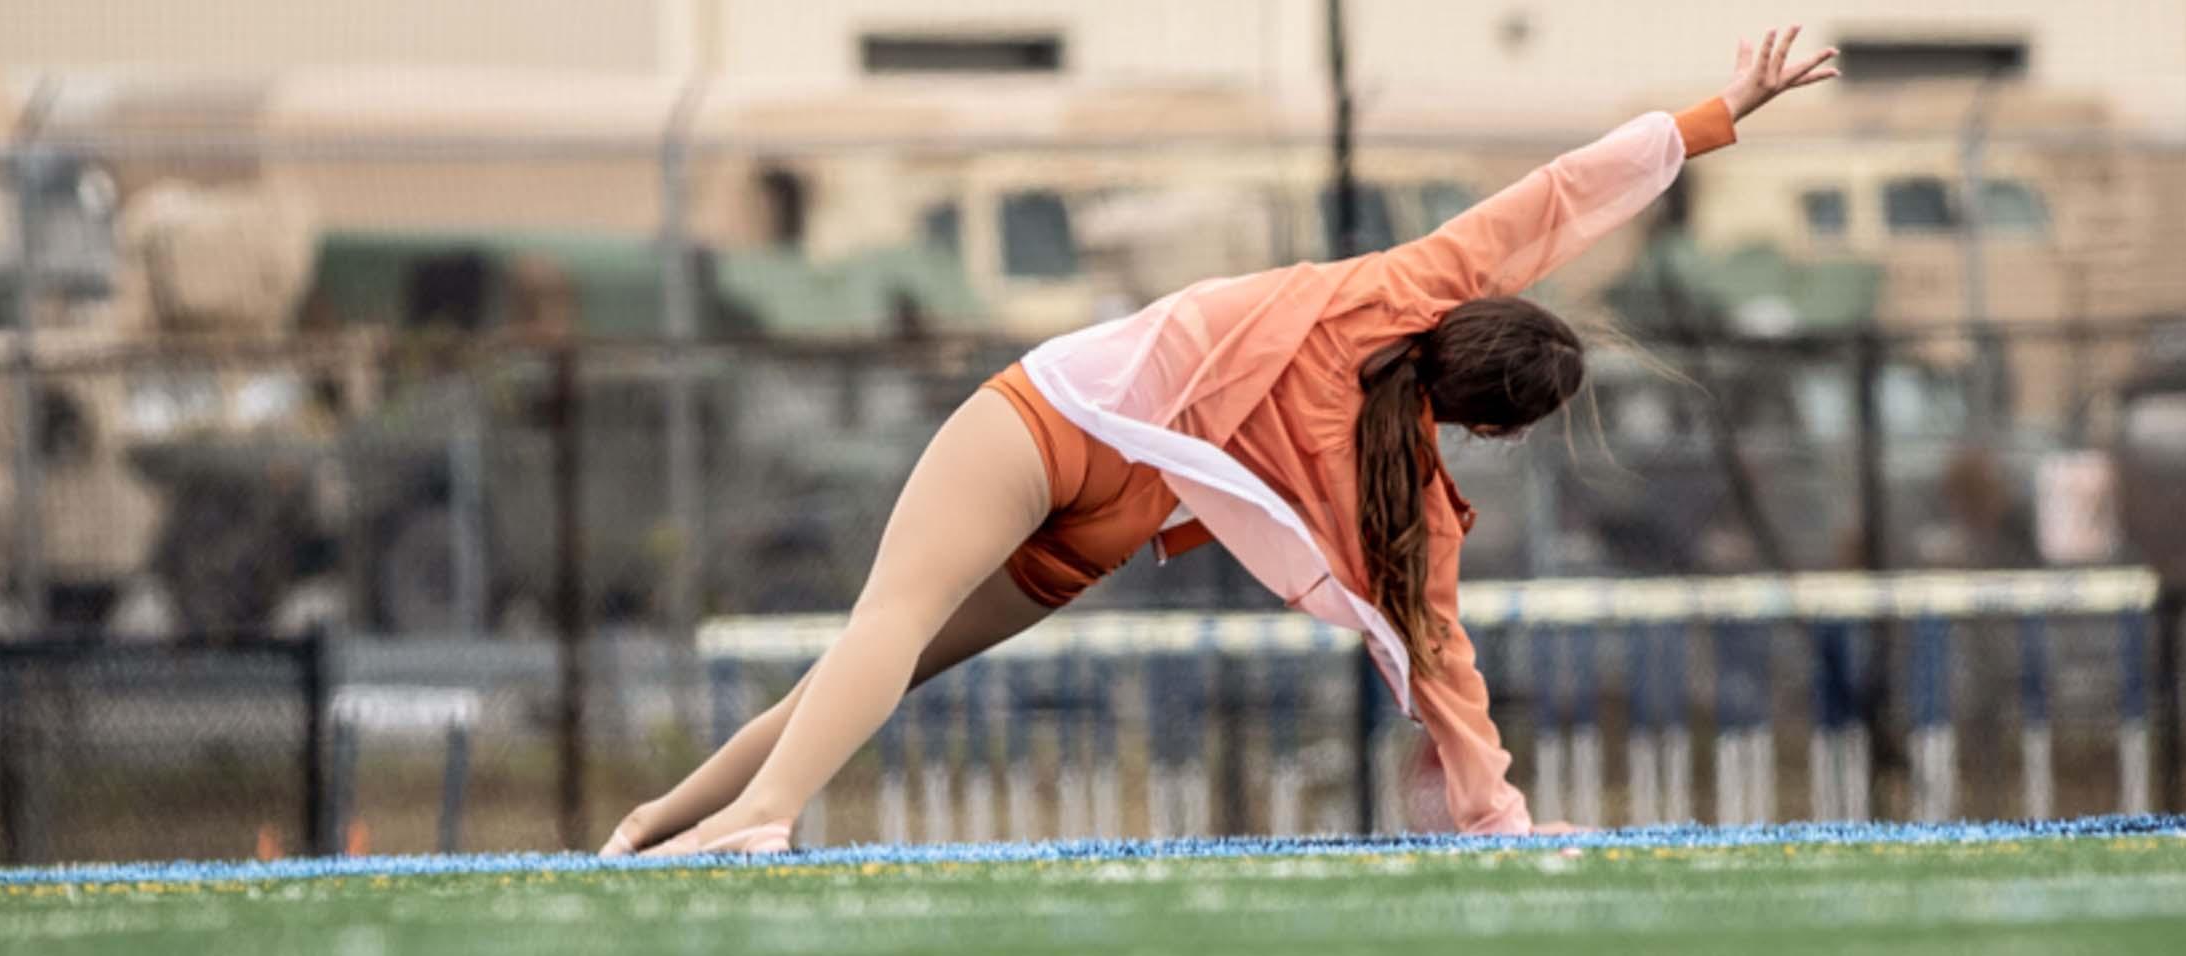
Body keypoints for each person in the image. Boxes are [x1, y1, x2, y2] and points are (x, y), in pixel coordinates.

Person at [606, 26, 1840, 855]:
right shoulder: (1397, 492)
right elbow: (1439, 658)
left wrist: (1721, 109)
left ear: (1475, 315)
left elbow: (1564, 193)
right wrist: (1496, 817)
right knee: (892, 660)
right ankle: (663, 820)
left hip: (1054, 423)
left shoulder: (1416, 278)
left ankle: (760, 813)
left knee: (882, 627)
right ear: (1476, 422)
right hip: (1114, 517)